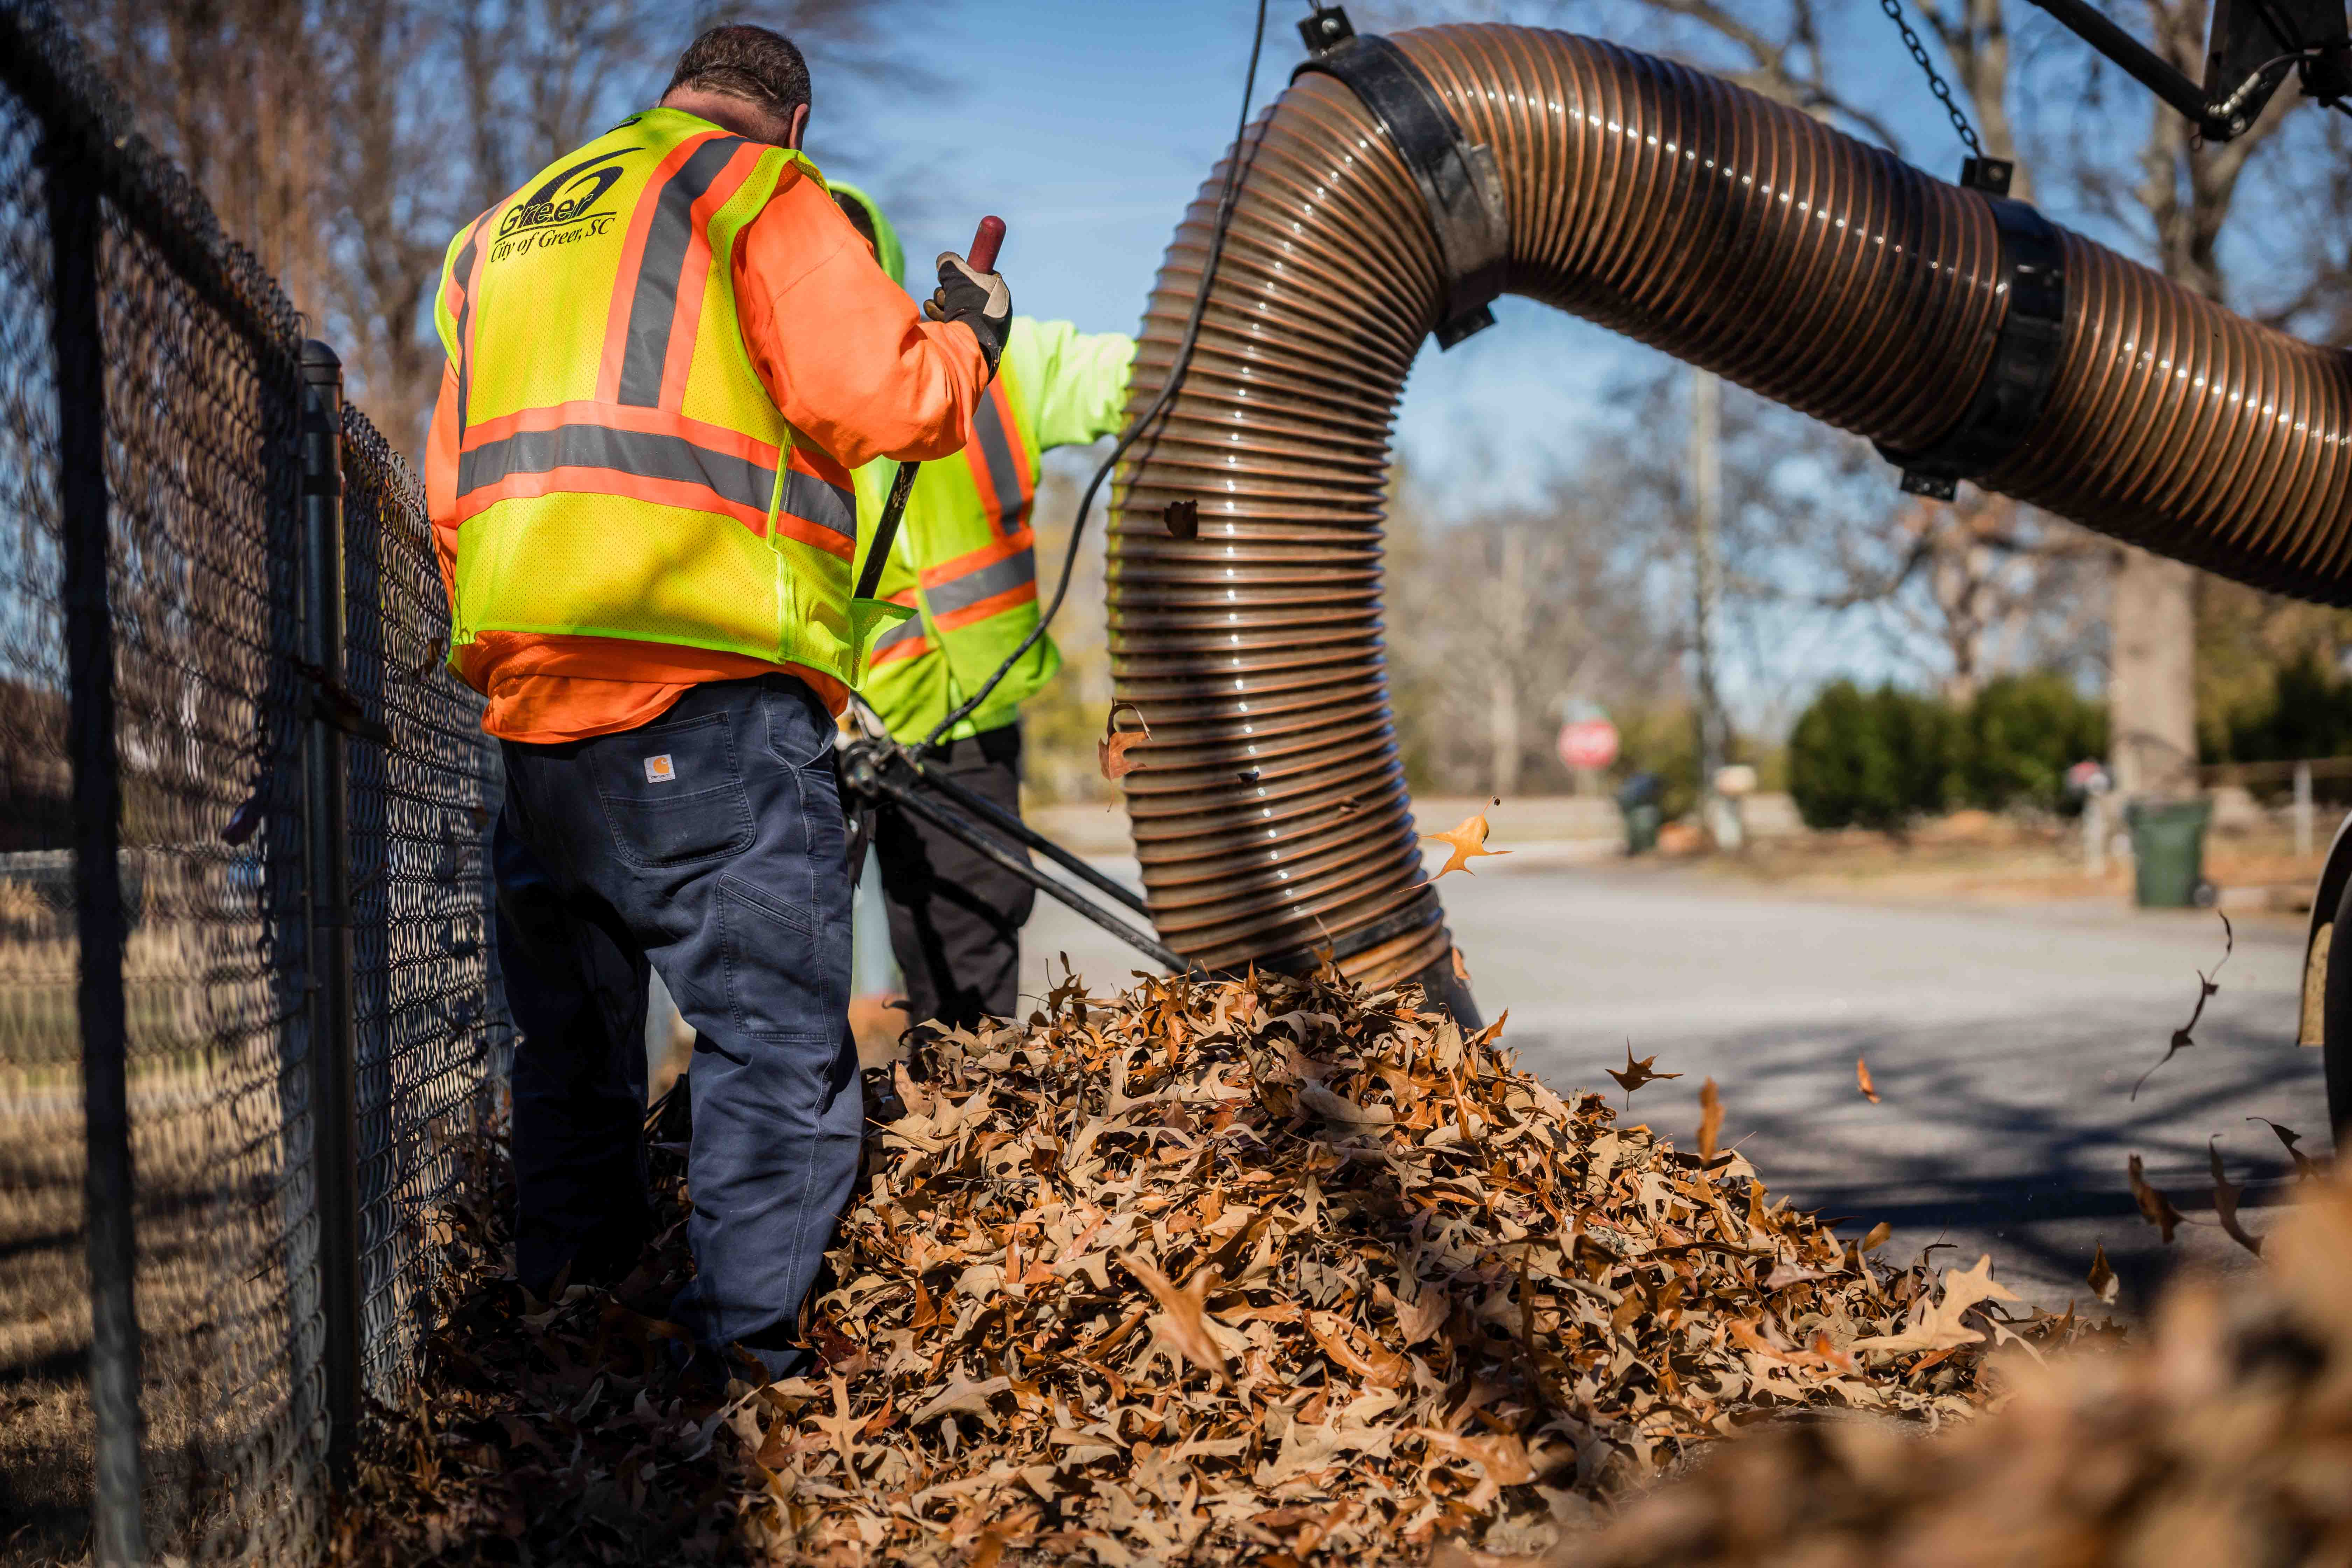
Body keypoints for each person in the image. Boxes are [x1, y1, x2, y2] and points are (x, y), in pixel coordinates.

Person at [422, 24, 1010, 1377]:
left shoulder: (499, 235)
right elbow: (887, 398)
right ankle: (727, 1379)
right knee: (766, 1053)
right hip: (705, 695)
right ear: (791, 122)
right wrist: (968, 337)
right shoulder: (758, 191)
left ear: (673, 93)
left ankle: (570, 1333)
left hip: (531, 716)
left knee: (570, 1057)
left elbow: (454, 498)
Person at [828, 184, 1134, 1037]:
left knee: (968, 993)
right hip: (817, 733)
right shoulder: (769, 386)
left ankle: (957, 1143)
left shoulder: (1006, 360)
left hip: (968, 734)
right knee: (782, 980)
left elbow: (1135, 378)